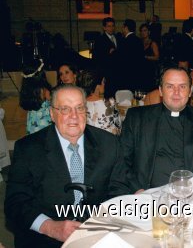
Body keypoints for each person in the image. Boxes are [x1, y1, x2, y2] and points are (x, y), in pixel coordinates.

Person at [5, 84, 123, 247]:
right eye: (65, 109)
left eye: (79, 108)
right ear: (52, 114)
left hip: (97, 233)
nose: (74, 116)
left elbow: (120, 187)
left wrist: (100, 220)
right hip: (45, 238)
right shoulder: (28, 149)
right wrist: (50, 227)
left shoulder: (108, 143)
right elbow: (15, 203)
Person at [113, 66, 193, 194]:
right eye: (170, 86)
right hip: (146, 195)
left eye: (182, 86)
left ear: (190, 92)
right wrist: (137, 189)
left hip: (188, 197)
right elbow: (122, 160)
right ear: (161, 91)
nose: (176, 92)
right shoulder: (137, 118)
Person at [77, 70, 120, 135]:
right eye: (103, 82)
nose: (104, 85)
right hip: (108, 139)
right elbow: (118, 122)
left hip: (89, 138)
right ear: (98, 85)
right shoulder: (109, 101)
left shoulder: (80, 102)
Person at [19, 59, 52, 134]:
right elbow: (52, 104)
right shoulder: (44, 90)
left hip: (32, 120)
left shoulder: (26, 89)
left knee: (33, 139)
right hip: (44, 123)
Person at [117, 19, 146, 92]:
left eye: (122, 27)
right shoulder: (139, 40)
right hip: (138, 73)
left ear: (126, 28)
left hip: (126, 74)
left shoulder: (124, 41)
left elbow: (121, 59)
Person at [140, 23, 160, 90]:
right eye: (142, 31)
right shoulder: (140, 42)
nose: (143, 32)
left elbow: (157, 57)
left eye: (145, 30)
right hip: (142, 69)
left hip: (150, 69)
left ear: (149, 32)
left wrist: (146, 57)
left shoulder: (153, 43)